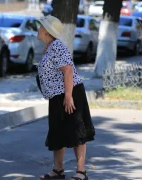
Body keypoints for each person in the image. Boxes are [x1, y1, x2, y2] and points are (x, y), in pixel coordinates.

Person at [36, 15, 95, 180]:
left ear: (47, 31)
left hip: (69, 93)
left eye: (41, 27)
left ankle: (81, 171)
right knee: (57, 132)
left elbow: (68, 70)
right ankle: (58, 170)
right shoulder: (49, 46)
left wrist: (68, 97)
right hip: (57, 96)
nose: (38, 29)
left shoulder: (56, 46)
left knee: (77, 131)